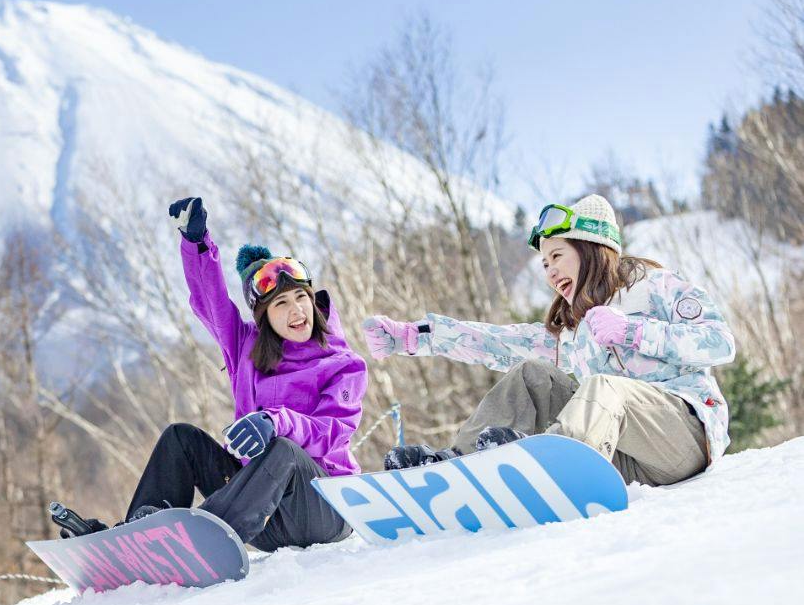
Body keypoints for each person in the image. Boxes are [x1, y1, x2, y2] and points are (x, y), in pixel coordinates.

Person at [49, 196, 367, 551]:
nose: (296, 311)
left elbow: (331, 432)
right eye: (281, 304)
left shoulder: (343, 364)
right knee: (181, 438)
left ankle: (201, 540)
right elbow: (210, 301)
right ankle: (140, 539)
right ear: (264, 318)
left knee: (284, 450)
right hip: (265, 514)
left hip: (325, 507)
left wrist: (275, 422)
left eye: (301, 298)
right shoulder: (246, 348)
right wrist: (197, 243)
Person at [362, 194, 735, 486]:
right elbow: (497, 343)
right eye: (544, 264)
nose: (550, 271)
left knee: (606, 388)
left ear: (590, 249)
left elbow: (720, 342)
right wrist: (416, 337)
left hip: (683, 440)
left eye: (557, 256)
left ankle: (555, 468)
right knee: (531, 375)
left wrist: (633, 331)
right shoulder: (573, 331)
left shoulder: (655, 286)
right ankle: (460, 468)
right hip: (622, 456)